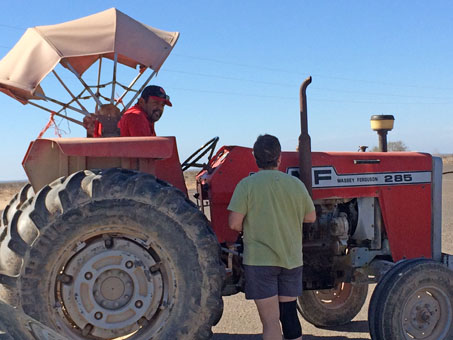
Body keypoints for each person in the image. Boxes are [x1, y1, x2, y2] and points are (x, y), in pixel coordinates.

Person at [228, 134, 316, 340]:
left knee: (270, 322)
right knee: (289, 317)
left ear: (255, 157)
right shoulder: (295, 185)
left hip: (260, 263)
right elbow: (310, 217)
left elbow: (234, 223)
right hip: (291, 259)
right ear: (279, 157)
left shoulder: (246, 185)